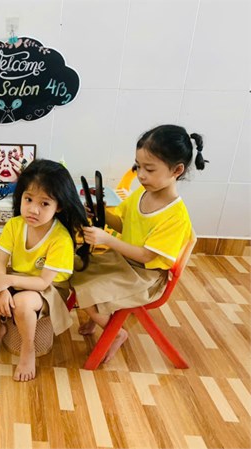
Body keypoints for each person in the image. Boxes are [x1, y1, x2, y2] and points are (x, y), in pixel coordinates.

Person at [72, 124, 207, 363]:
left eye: (149, 169)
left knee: (87, 291)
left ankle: (116, 334)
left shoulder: (176, 217)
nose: (141, 175)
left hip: (145, 278)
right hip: (123, 263)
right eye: (138, 167)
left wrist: (107, 240)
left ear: (177, 170)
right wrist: (99, 214)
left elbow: (146, 256)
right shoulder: (141, 193)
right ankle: (100, 319)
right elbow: (123, 225)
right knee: (73, 269)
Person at [0, 159, 89, 381]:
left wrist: (7, 282)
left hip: (50, 288)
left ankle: (28, 350)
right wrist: (1, 287)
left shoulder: (60, 239)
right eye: (28, 199)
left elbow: (43, 282)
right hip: (18, 277)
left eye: (44, 204)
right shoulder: (14, 225)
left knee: (23, 303)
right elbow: (0, 262)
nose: (33, 209)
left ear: (59, 207)